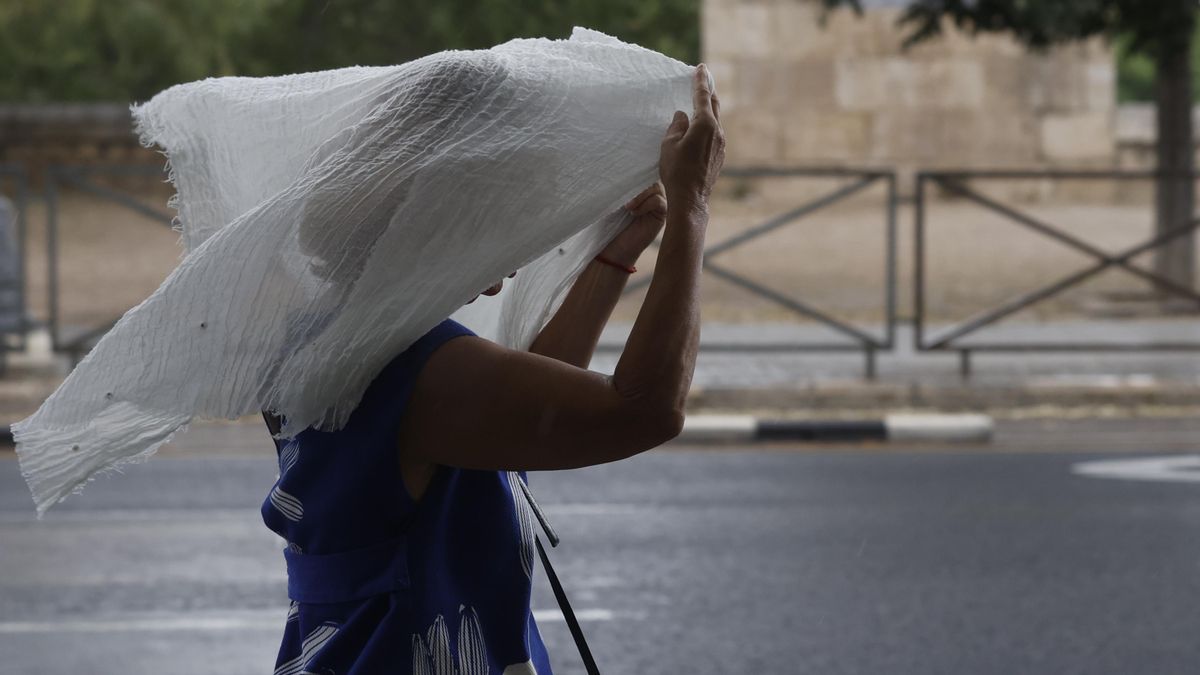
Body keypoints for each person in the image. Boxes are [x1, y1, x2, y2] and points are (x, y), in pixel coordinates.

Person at [261, 64, 724, 675]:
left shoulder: (336, 338)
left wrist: (616, 253)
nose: (518, 251)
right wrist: (691, 210)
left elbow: (521, 412)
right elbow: (644, 409)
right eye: (508, 219)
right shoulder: (409, 365)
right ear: (448, 220)